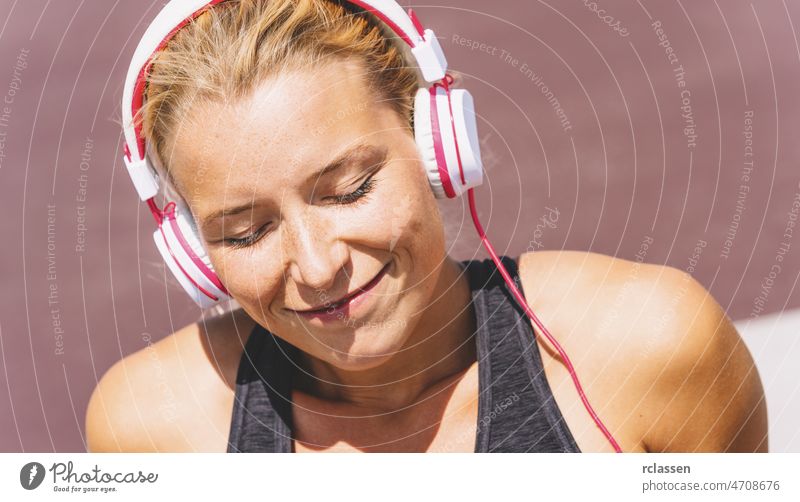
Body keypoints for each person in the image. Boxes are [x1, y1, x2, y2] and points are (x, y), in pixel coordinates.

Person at [85, 0, 767, 453]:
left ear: (438, 148)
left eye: (349, 190)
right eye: (245, 234)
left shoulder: (652, 348)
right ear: (191, 253)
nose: (319, 267)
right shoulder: (152, 429)